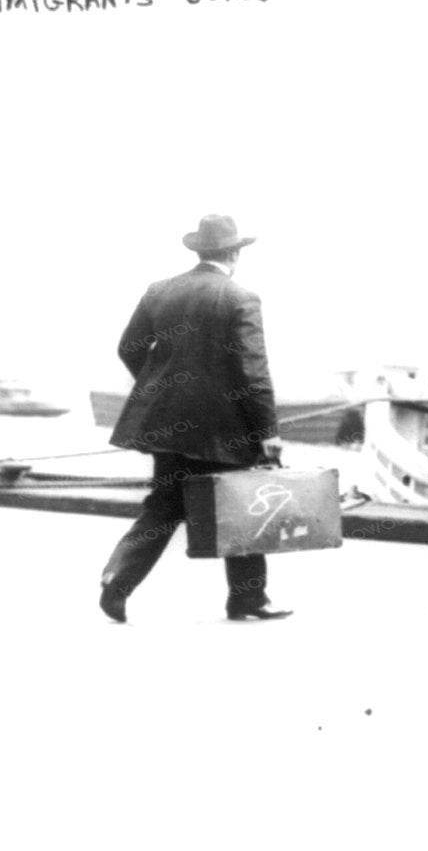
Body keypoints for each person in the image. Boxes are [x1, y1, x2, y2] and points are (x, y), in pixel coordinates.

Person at [98, 214, 292, 623]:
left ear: (200, 250)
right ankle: (248, 598)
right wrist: (267, 432)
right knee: (243, 507)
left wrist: (162, 389)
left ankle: (118, 579)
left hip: (167, 425)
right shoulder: (241, 298)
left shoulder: (160, 291)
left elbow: (129, 347)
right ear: (234, 253)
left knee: (163, 506)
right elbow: (252, 371)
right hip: (223, 430)